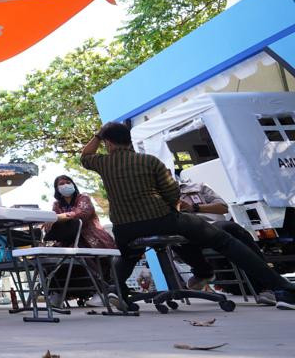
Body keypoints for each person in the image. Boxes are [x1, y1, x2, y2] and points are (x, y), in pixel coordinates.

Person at [81, 122, 295, 311]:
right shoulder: (149, 161)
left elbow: (85, 155)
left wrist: (100, 134)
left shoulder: (103, 162)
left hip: (124, 228)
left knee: (128, 255)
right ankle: (282, 289)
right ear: (129, 141)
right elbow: (172, 193)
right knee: (223, 240)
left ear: (108, 143)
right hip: (162, 220)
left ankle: (115, 290)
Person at [176, 176, 276, 305]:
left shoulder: (197, 187)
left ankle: (268, 286)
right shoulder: (155, 194)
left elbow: (223, 207)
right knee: (175, 237)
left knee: (231, 227)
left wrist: (195, 208)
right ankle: (202, 272)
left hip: (212, 225)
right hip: (186, 231)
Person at [45, 175, 116, 307]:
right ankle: (57, 293)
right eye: (61, 184)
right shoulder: (57, 205)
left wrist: (59, 217)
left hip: (91, 238)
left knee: (83, 255)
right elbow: (51, 222)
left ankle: (100, 292)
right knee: (50, 258)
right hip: (67, 241)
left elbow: (83, 213)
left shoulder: (83, 198)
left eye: (68, 182)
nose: (65, 185)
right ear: (57, 189)